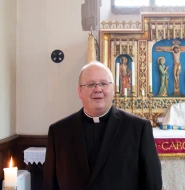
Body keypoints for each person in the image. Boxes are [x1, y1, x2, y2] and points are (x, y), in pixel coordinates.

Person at [43, 61, 162, 190]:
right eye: (90, 84)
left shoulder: (138, 128)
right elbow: (50, 184)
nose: (98, 89)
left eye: (104, 84)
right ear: (79, 91)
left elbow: (152, 184)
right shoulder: (59, 132)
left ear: (113, 89)